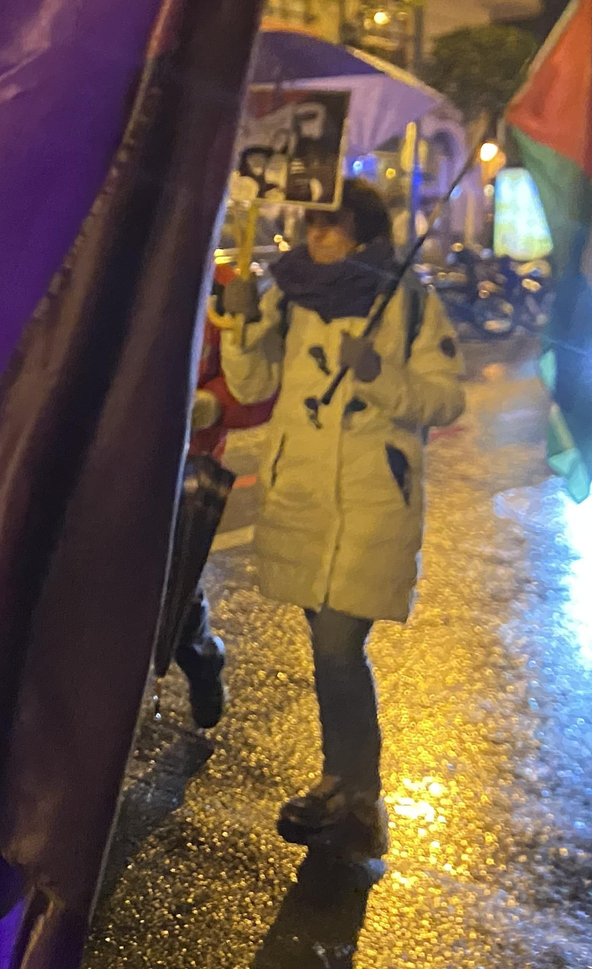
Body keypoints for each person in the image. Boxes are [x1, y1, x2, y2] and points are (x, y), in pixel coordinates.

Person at [221, 179, 464, 864]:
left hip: (370, 498)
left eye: (334, 222)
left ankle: (346, 786)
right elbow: (252, 387)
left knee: (335, 644)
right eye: (312, 221)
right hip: (302, 494)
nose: (319, 233)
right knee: (331, 647)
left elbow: (444, 400)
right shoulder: (288, 293)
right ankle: (355, 795)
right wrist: (240, 328)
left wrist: (379, 374)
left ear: (363, 230)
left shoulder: (408, 300)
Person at [171, 263, 279, 729]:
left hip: (185, 468)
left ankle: (201, 661)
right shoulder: (101, 264)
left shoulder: (222, 287)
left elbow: (254, 386)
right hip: (103, 460)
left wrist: (214, 404)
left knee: (172, 587)